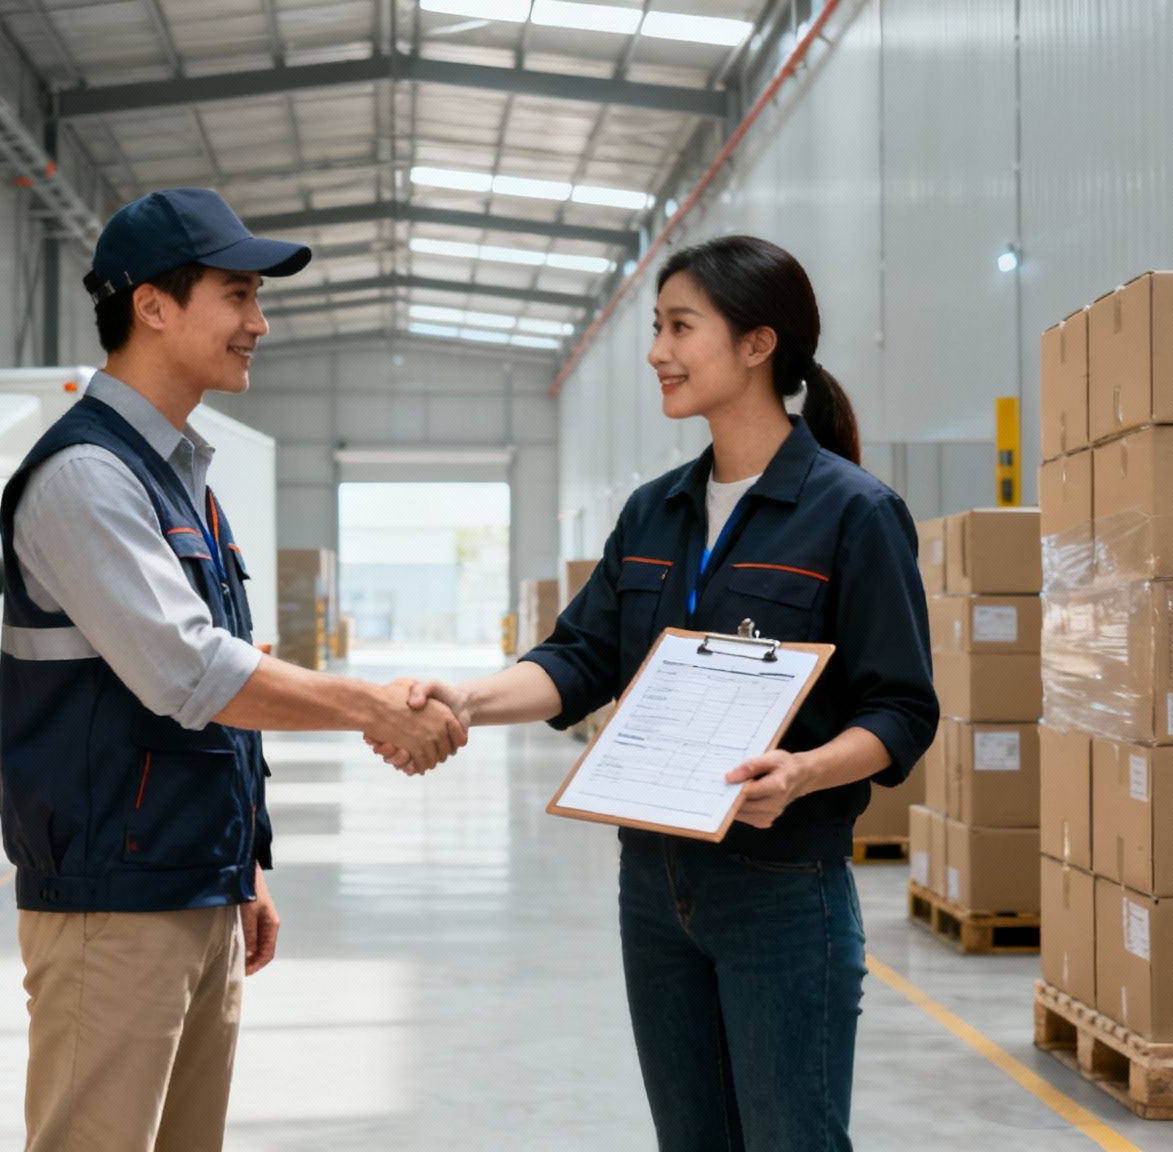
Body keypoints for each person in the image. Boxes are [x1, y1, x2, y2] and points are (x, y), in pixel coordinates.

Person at [372, 235, 939, 1151]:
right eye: (656, 327)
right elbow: (579, 656)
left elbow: (904, 709)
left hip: (782, 886)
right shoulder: (655, 511)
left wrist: (801, 772)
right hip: (656, 884)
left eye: (681, 327)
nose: (656, 351)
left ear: (758, 345)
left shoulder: (852, 513)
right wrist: (467, 699)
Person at [1, 188, 468, 1152]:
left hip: (190, 884)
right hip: (112, 904)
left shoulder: (178, 478)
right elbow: (192, 673)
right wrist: (375, 706)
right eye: (238, 295)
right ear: (153, 306)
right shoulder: (89, 476)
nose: (258, 324)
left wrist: (242, 863)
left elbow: (219, 695)